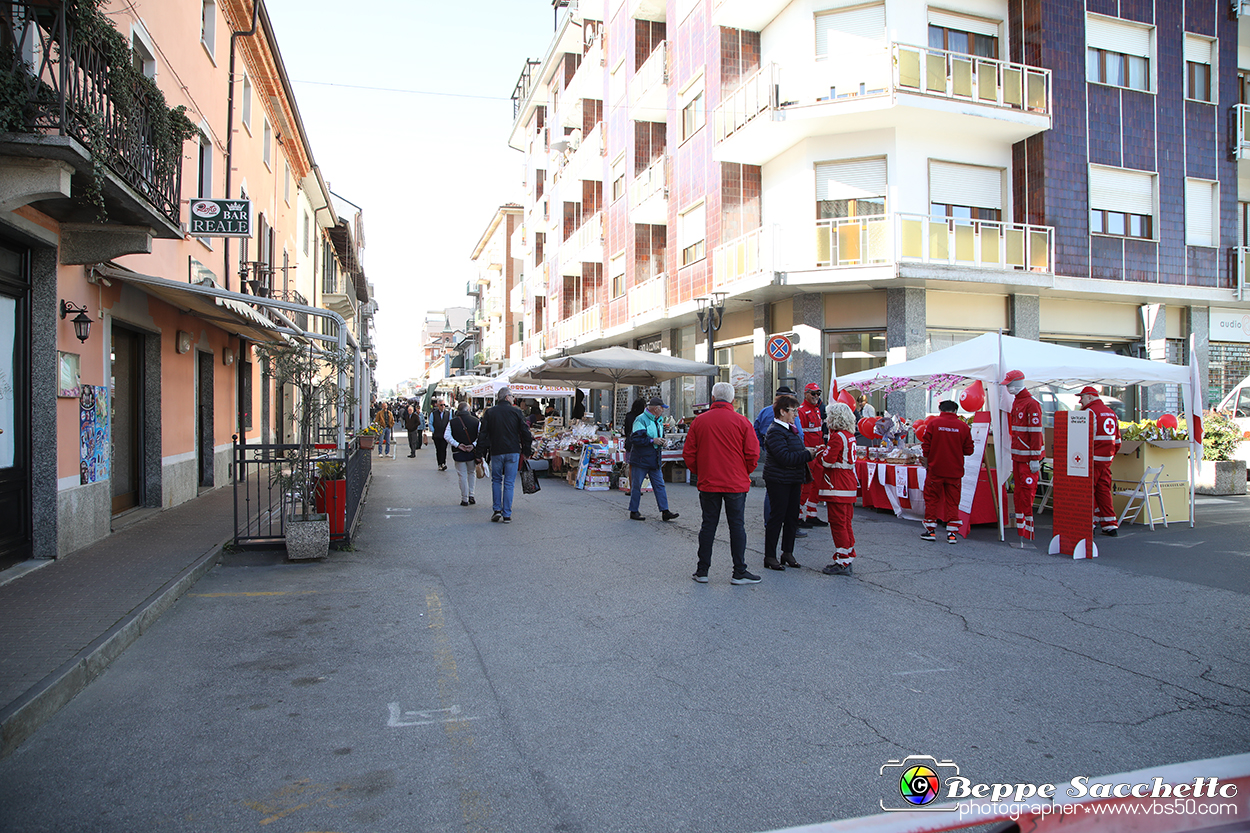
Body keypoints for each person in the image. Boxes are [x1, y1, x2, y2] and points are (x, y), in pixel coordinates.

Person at [683, 381, 761, 585]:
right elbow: (753, 454)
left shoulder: (699, 422)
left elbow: (689, 453)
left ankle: (702, 570)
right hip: (736, 482)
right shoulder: (743, 422)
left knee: (708, 525)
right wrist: (744, 471)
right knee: (737, 526)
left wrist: (701, 472)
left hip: (709, 481)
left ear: (712, 398)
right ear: (733, 400)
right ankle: (739, 571)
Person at [761, 393, 811, 571]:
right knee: (777, 517)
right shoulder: (775, 431)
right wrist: (808, 454)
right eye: (793, 411)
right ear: (782, 412)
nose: (796, 414)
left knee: (791, 517)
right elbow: (785, 457)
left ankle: (787, 552)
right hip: (779, 480)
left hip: (793, 479)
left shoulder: (790, 429)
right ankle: (770, 556)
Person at [813, 402, 860, 575]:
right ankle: (848, 554)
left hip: (837, 484)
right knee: (846, 522)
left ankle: (842, 560)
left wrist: (820, 452)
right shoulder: (849, 435)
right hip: (848, 482)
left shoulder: (837, 436)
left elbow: (827, 460)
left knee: (838, 523)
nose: (826, 419)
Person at [477, 386, 533, 523]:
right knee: (509, 482)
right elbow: (525, 432)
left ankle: (497, 509)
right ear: (507, 397)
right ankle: (507, 513)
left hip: (496, 451)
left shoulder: (490, 412)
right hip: (513, 451)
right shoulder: (516, 412)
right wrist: (527, 450)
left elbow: (483, 434)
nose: (513, 398)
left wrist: (479, 453)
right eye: (512, 396)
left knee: (496, 480)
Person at [920, 400, 974, 544]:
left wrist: (927, 460)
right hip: (955, 471)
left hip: (935, 469)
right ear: (956, 411)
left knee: (931, 499)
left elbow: (926, 446)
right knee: (953, 501)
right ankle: (952, 533)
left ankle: (930, 531)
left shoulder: (933, 424)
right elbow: (969, 450)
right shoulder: (963, 426)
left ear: (940, 409)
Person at [1005, 369, 1044, 541]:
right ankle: (1022, 531)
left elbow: (1036, 433)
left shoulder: (1031, 403)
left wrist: (1035, 458)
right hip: (1019, 457)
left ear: (1018, 383)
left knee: (1027, 494)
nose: (1008, 388)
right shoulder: (1018, 402)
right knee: (1020, 494)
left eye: (1010, 384)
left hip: (1028, 459)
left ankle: (1027, 532)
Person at [628, 396, 680, 522]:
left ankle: (665, 511)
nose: (663, 410)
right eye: (662, 408)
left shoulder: (658, 420)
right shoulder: (641, 419)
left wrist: (662, 441)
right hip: (641, 458)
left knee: (659, 485)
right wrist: (653, 440)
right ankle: (634, 511)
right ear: (656, 409)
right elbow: (635, 438)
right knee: (636, 485)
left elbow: (657, 436)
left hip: (653, 458)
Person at [1079, 385, 1122, 536]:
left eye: (1082, 397)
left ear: (1090, 397)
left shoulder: (1089, 412)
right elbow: (1117, 441)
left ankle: (1089, 523)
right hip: (1105, 460)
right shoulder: (1111, 413)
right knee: (1104, 491)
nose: (1080, 401)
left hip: (1091, 460)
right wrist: (1109, 456)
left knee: (1087, 492)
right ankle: (1110, 524)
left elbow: (1082, 438)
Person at [797, 383, 827, 527]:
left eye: (818, 393)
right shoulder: (801, 411)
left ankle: (811, 513)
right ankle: (798, 515)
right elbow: (800, 435)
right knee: (806, 485)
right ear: (806, 394)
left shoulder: (817, 410)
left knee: (817, 484)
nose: (816, 396)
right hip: (808, 453)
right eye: (813, 393)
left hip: (818, 453)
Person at [446, 400, 480, 506]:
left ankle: (464, 498)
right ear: (468, 410)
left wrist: (457, 445)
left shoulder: (452, 422)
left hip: (458, 452)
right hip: (472, 451)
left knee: (462, 475)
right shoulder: (476, 421)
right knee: (471, 473)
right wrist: (473, 445)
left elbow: (446, 436)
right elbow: (481, 436)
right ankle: (471, 495)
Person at [430, 398, 451, 471]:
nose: (443, 406)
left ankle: (443, 463)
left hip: (445, 435)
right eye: (441, 405)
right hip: (437, 435)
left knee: (444, 449)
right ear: (438, 405)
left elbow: (450, 423)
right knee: (438, 449)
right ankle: (439, 463)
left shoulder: (448, 413)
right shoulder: (434, 413)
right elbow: (430, 423)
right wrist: (434, 431)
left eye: (444, 405)